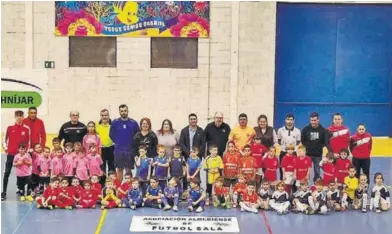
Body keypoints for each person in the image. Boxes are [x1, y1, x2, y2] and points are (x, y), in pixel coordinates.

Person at [2, 110, 31, 201]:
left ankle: (20, 189)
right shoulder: (9, 128)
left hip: (22, 156)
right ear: (15, 117)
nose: (19, 118)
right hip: (11, 155)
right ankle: (4, 192)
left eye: (20, 116)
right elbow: (4, 140)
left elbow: (28, 143)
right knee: (7, 173)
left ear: (23, 117)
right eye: (17, 116)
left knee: (22, 174)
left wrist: (24, 153)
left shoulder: (26, 129)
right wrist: (6, 149)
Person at [109, 104, 139, 181]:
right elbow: (111, 135)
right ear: (119, 112)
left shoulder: (134, 123)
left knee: (128, 170)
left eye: (125, 111)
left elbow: (137, 136)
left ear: (128, 111)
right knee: (119, 170)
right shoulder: (115, 122)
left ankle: (129, 189)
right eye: (122, 111)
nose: (123, 112)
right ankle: (119, 189)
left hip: (129, 150)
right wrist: (119, 142)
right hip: (118, 150)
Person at [301, 112, 330, 182]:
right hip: (307, 155)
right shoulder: (305, 129)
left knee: (317, 173)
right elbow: (303, 141)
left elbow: (325, 143)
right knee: (305, 173)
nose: (313, 122)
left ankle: (316, 188)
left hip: (318, 156)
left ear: (318, 120)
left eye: (314, 120)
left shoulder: (323, 130)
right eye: (311, 120)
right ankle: (305, 188)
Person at [277, 113, 301, 180]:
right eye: (288, 119)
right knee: (282, 171)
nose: (289, 121)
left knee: (294, 171)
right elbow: (279, 141)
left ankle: (294, 188)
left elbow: (298, 142)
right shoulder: (280, 130)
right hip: (283, 152)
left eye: (291, 120)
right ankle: (282, 188)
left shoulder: (297, 131)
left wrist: (292, 150)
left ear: (293, 121)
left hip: (293, 153)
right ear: (285, 120)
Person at [96, 109, 115, 181]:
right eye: (102, 115)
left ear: (108, 115)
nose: (104, 117)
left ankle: (112, 184)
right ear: (100, 116)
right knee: (102, 168)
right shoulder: (96, 125)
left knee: (112, 167)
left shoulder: (113, 124)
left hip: (111, 148)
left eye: (106, 115)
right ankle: (103, 185)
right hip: (101, 149)